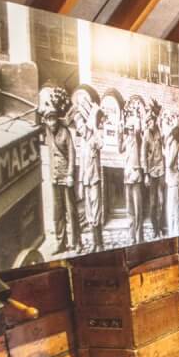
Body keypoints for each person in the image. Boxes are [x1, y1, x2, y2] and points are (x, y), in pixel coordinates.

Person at [41, 110, 81, 253]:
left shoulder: (65, 133)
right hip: (55, 178)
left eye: (53, 119)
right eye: (48, 119)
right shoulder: (47, 131)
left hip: (66, 177)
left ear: (57, 119)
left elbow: (72, 154)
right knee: (57, 213)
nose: (51, 122)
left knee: (71, 212)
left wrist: (70, 175)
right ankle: (61, 243)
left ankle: (77, 242)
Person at [79, 108, 106, 251]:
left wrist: (94, 127)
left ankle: (99, 244)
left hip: (95, 180)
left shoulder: (94, 139)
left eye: (81, 127)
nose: (80, 131)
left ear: (87, 126)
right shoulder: (83, 143)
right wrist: (80, 183)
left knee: (96, 212)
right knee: (89, 213)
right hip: (86, 182)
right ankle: (95, 243)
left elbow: (101, 144)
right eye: (78, 128)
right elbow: (82, 164)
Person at [119, 107, 145, 244]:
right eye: (128, 129)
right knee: (130, 210)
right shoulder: (127, 140)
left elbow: (138, 129)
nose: (130, 131)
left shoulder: (137, 139)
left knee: (138, 209)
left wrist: (136, 115)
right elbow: (119, 149)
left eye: (131, 129)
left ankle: (139, 236)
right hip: (127, 178)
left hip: (136, 177)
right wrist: (119, 131)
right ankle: (132, 236)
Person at [142, 99, 166, 238]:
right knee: (153, 203)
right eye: (148, 122)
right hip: (151, 172)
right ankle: (155, 229)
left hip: (161, 170)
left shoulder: (159, 131)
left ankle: (161, 227)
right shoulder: (146, 134)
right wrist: (145, 174)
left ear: (155, 120)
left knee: (161, 201)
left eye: (151, 121)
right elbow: (142, 155)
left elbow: (165, 145)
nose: (149, 124)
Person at [163, 113, 179, 237]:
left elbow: (169, 163)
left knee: (174, 208)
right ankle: (171, 231)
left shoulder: (174, 144)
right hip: (170, 180)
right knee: (170, 208)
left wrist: (164, 153)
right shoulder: (170, 142)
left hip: (174, 180)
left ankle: (174, 232)